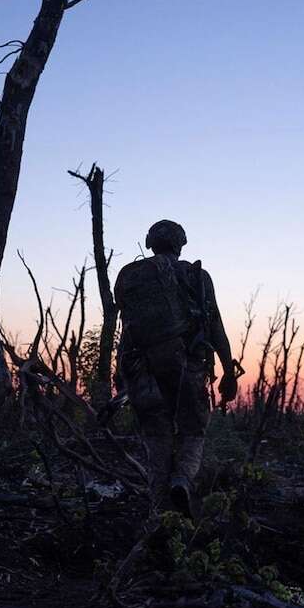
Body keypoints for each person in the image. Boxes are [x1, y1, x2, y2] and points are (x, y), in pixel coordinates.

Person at [113, 219, 236, 516]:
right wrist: (229, 372)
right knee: (193, 432)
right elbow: (215, 325)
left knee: (157, 438)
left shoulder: (129, 276)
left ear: (150, 242)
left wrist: (121, 375)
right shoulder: (196, 276)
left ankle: (159, 512)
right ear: (180, 244)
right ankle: (181, 480)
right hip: (186, 368)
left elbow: (126, 330)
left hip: (141, 369)